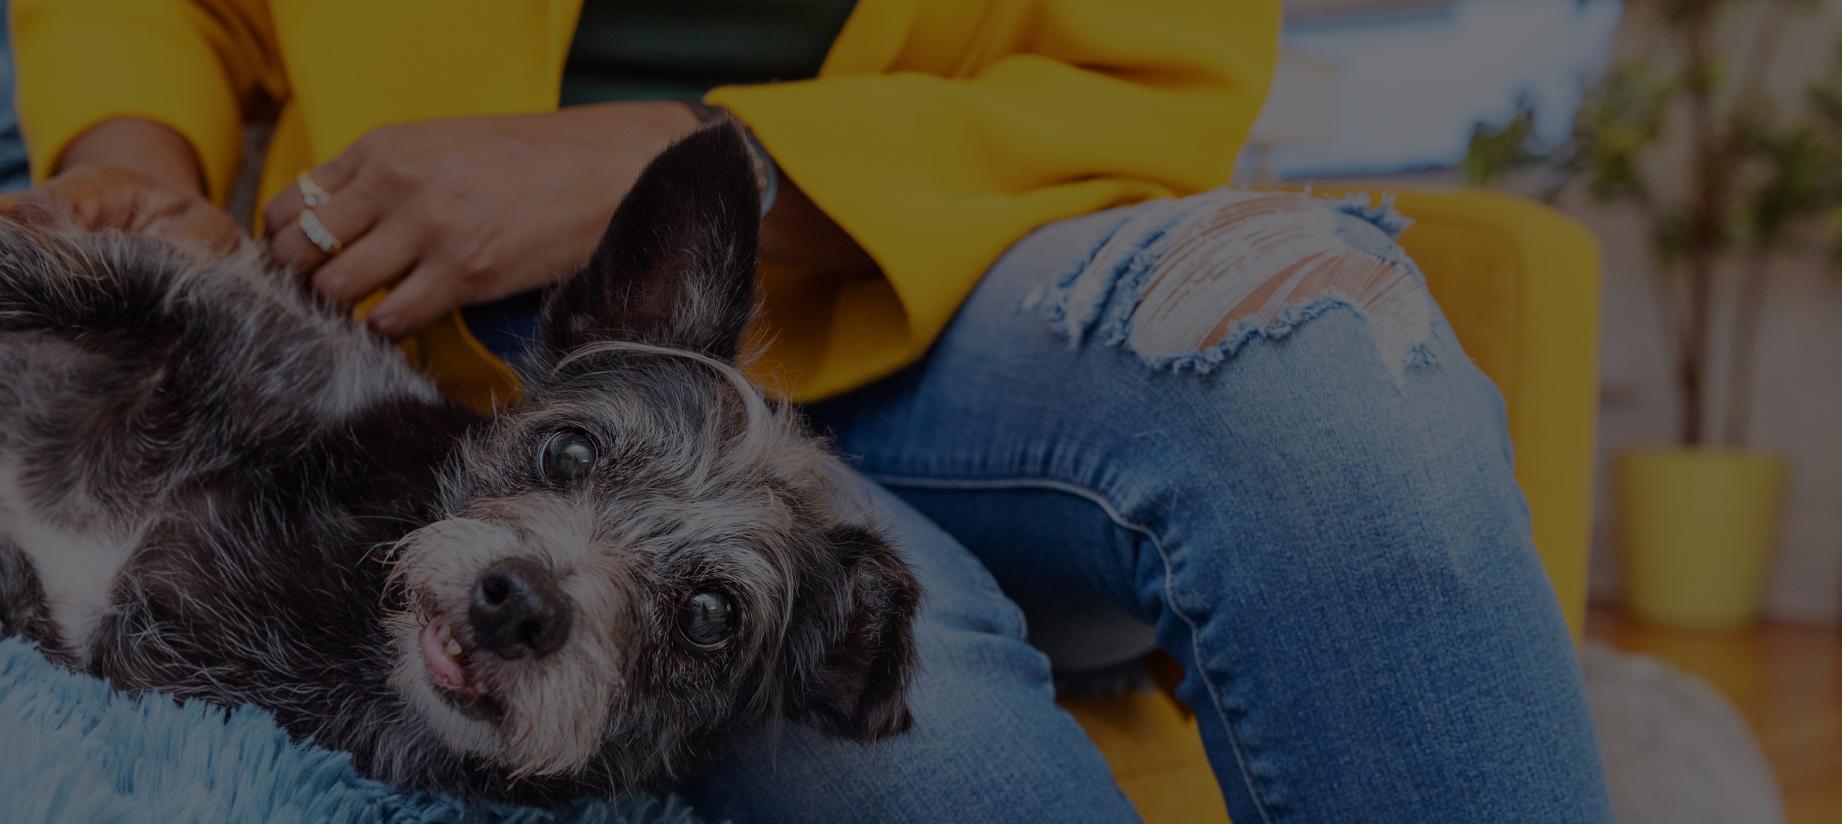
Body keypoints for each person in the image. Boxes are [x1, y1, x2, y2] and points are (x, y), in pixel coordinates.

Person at [5, 1, 1613, 821]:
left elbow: (1152, 75)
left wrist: (641, 155)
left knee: (1330, 384)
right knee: (916, 753)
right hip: (536, 370)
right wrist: (139, 175)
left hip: (987, 276)